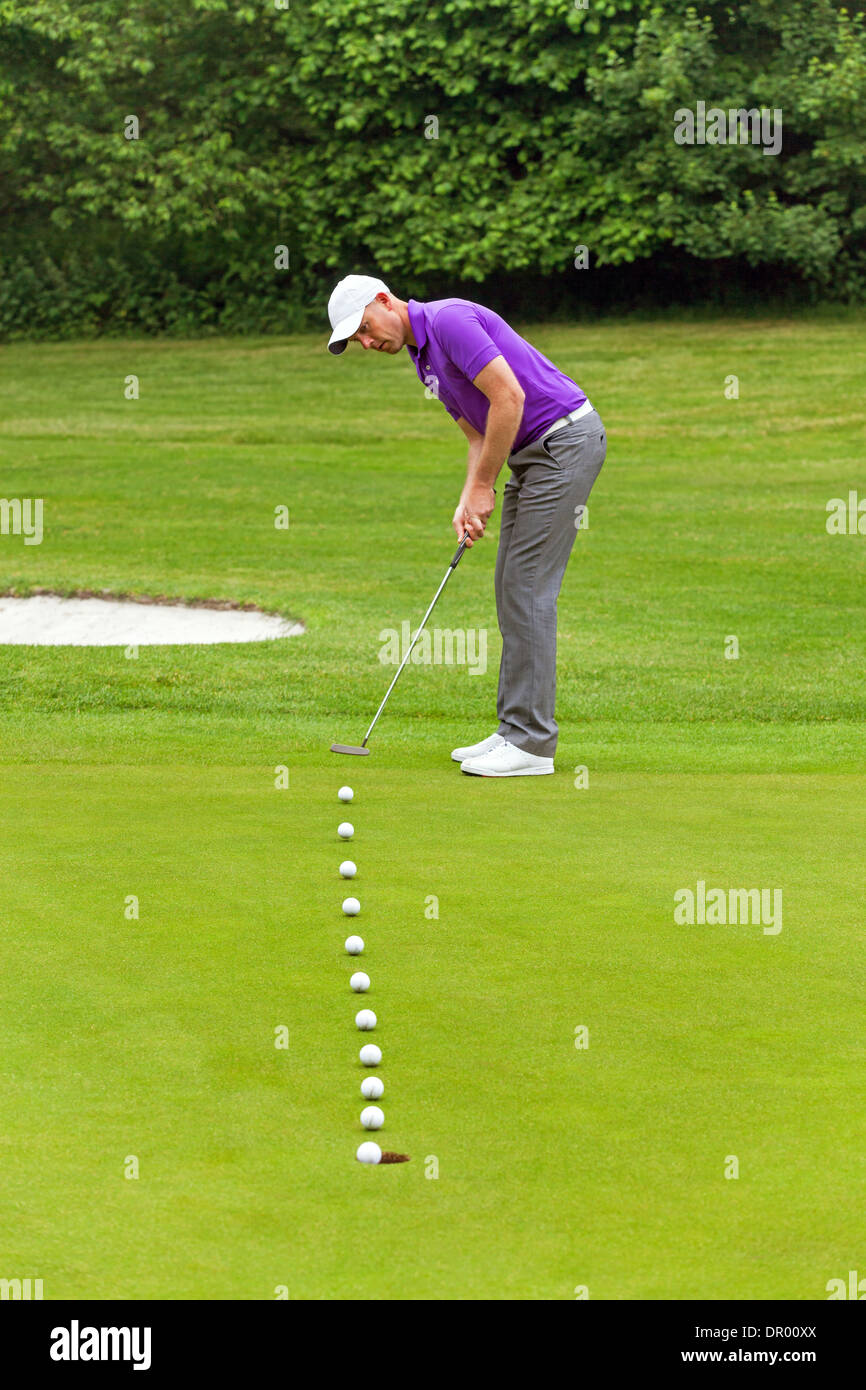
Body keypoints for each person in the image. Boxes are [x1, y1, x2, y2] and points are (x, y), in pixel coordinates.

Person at [327, 274, 606, 777]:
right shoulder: (422, 357)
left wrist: (485, 487)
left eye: (365, 328)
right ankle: (513, 731)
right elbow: (478, 433)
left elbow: (510, 399)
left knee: (528, 589)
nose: (367, 343)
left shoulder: (449, 321)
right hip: (533, 456)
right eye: (357, 341)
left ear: (384, 301)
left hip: (562, 444)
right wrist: (468, 496)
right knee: (510, 587)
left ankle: (532, 745)